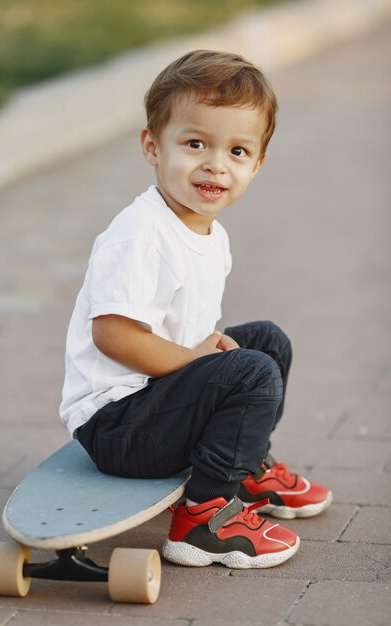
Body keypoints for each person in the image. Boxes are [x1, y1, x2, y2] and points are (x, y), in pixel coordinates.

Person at [60, 50, 332, 569]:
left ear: (257, 164)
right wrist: (199, 363)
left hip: (155, 401)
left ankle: (243, 466)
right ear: (152, 146)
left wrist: (207, 355)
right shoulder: (140, 233)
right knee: (251, 371)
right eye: (194, 144)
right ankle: (205, 517)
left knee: (266, 342)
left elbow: (185, 323)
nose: (215, 164)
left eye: (236, 151)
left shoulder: (209, 233)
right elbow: (115, 337)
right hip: (117, 427)